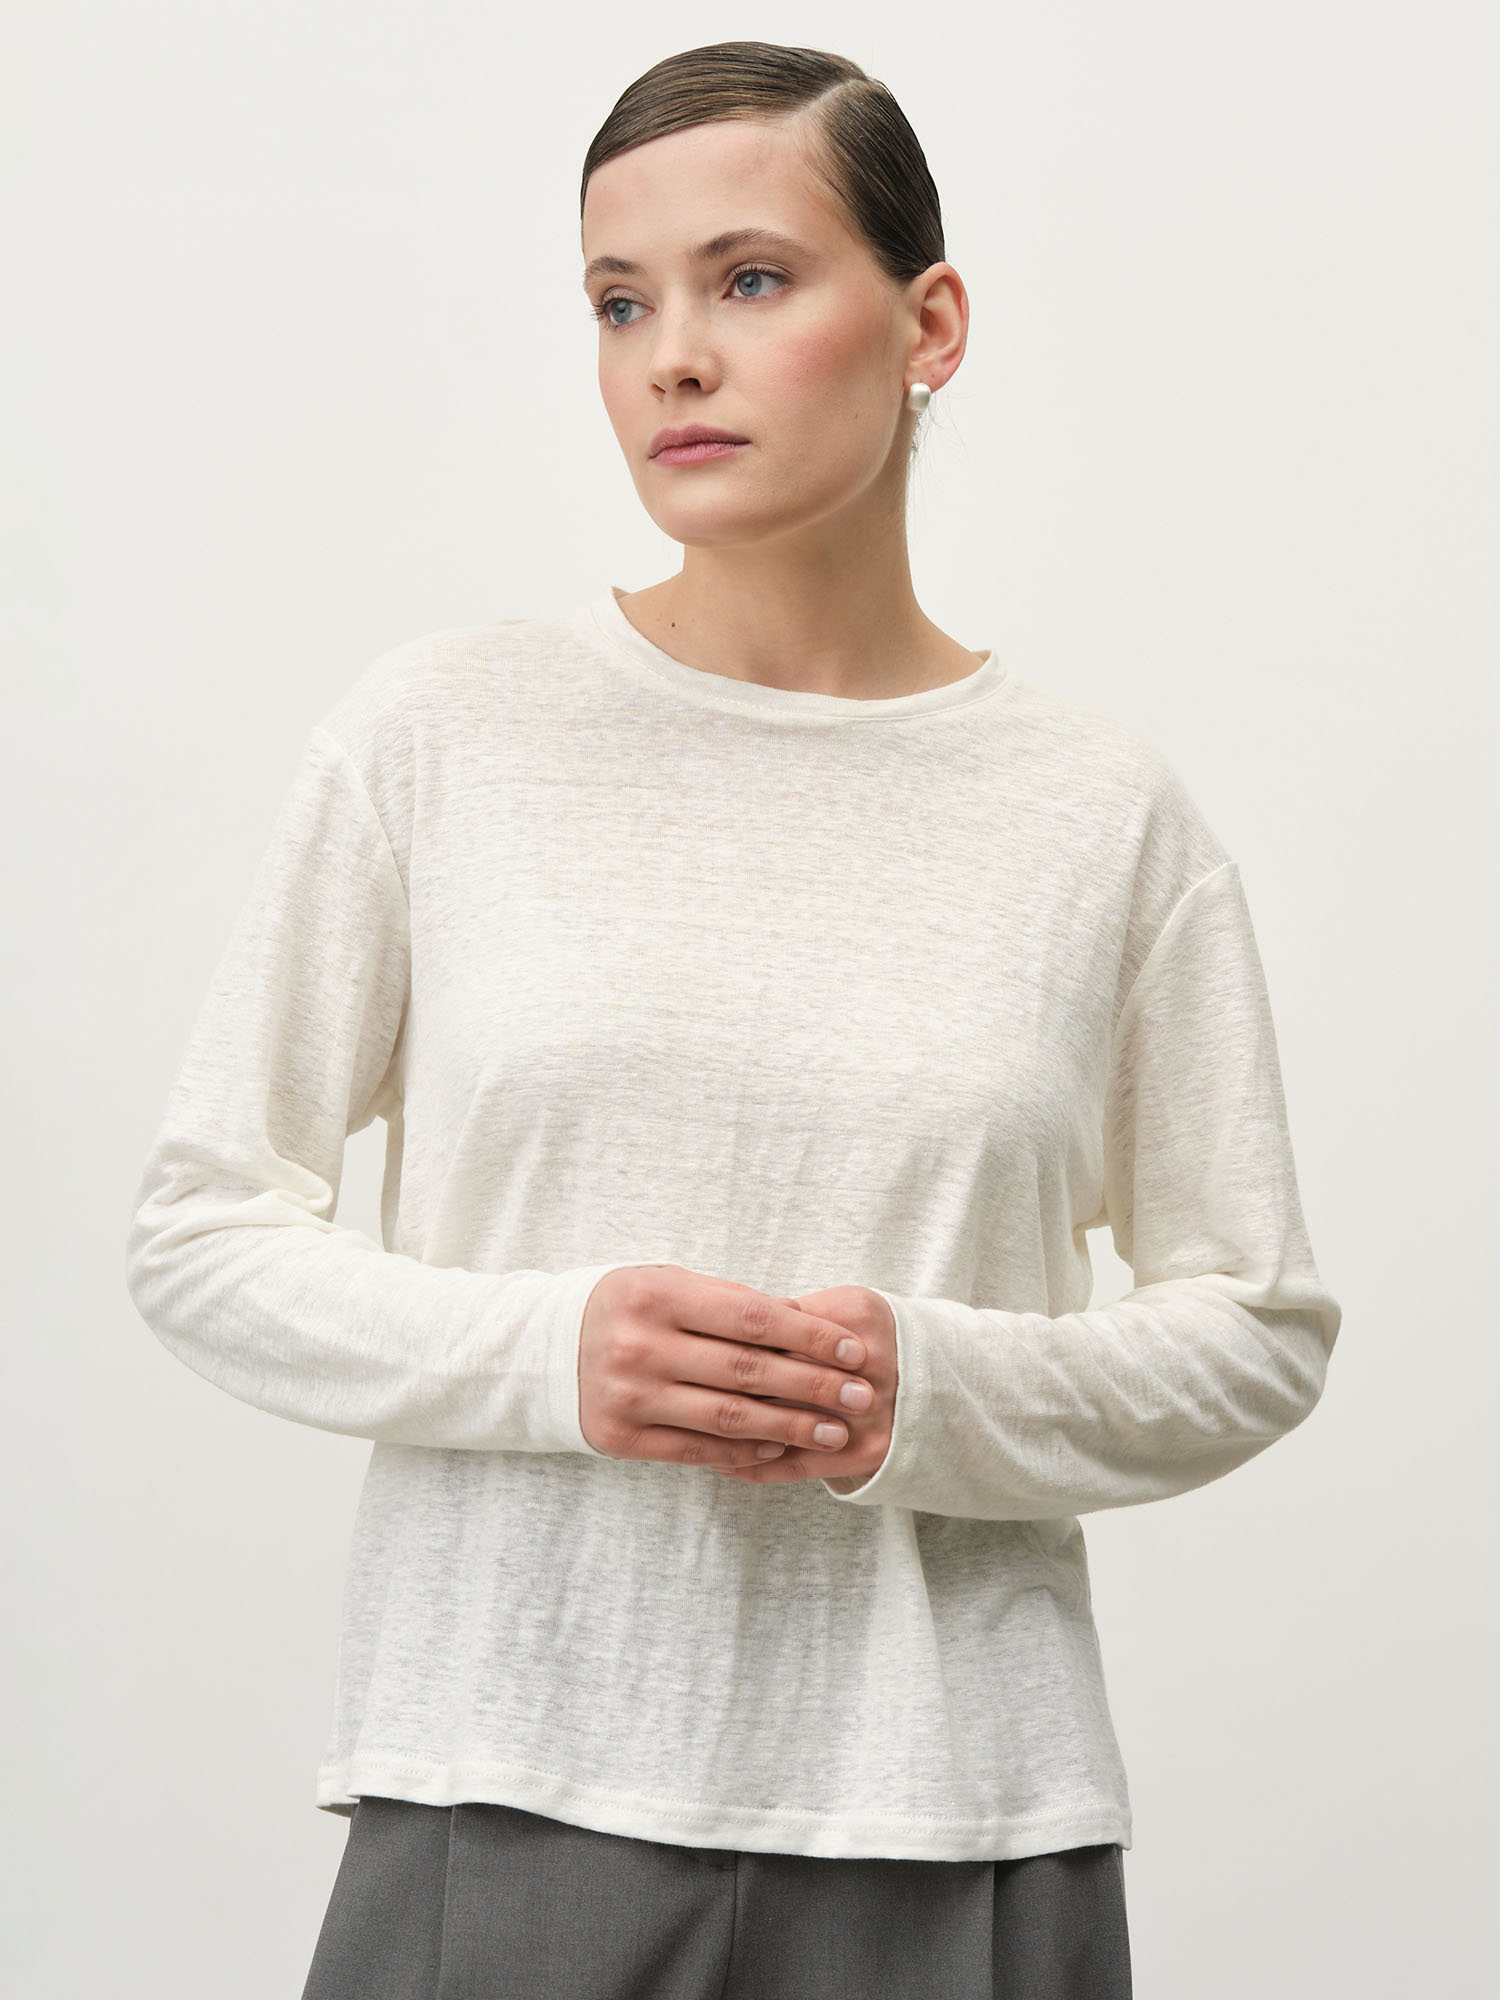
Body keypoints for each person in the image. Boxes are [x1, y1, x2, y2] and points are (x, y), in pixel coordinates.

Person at [123, 38, 1342, 2000]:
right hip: (502, 1784)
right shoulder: (441, 737)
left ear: (929, 324)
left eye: (750, 279)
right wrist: (552, 1355)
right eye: (621, 304)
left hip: (958, 1826)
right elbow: (200, 1232)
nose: (673, 358)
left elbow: (1255, 1323)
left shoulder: (1103, 815)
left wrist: (926, 1395)